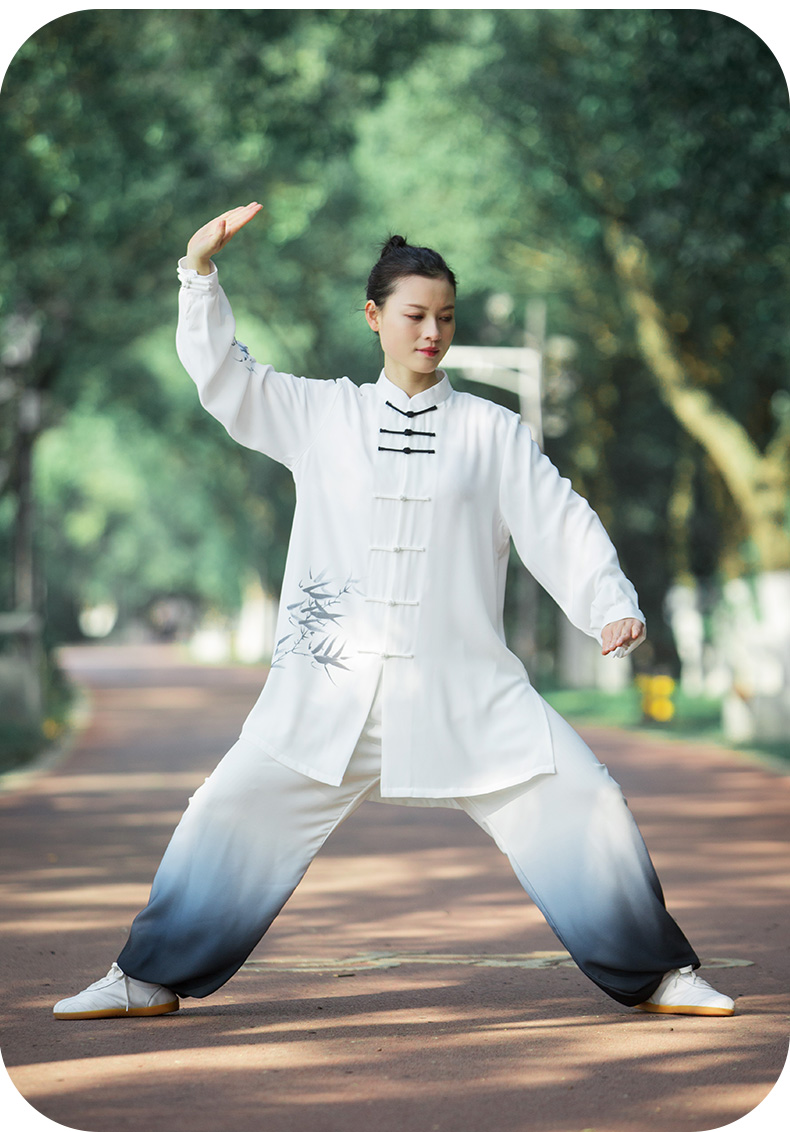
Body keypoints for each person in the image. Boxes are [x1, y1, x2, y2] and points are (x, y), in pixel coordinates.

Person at [54, 203, 734, 1020]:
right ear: (374, 317)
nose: (432, 333)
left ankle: (661, 975)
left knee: (585, 799)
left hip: (467, 688)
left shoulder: (491, 431)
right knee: (226, 812)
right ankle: (145, 977)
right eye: (415, 315)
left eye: (446, 318)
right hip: (327, 694)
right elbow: (224, 381)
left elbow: (560, 517)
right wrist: (196, 276)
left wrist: (608, 601)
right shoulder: (318, 415)